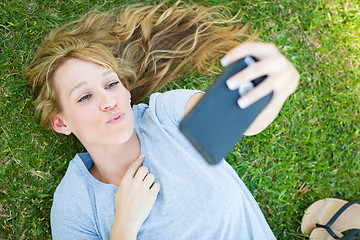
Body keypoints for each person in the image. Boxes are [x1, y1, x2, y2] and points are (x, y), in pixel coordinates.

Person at [25, 2, 299, 239]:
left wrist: (276, 89)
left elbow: (244, 119)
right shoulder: (76, 204)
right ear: (61, 123)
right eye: (85, 97)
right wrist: (124, 227)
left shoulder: (166, 115)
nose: (108, 100)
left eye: (111, 84)